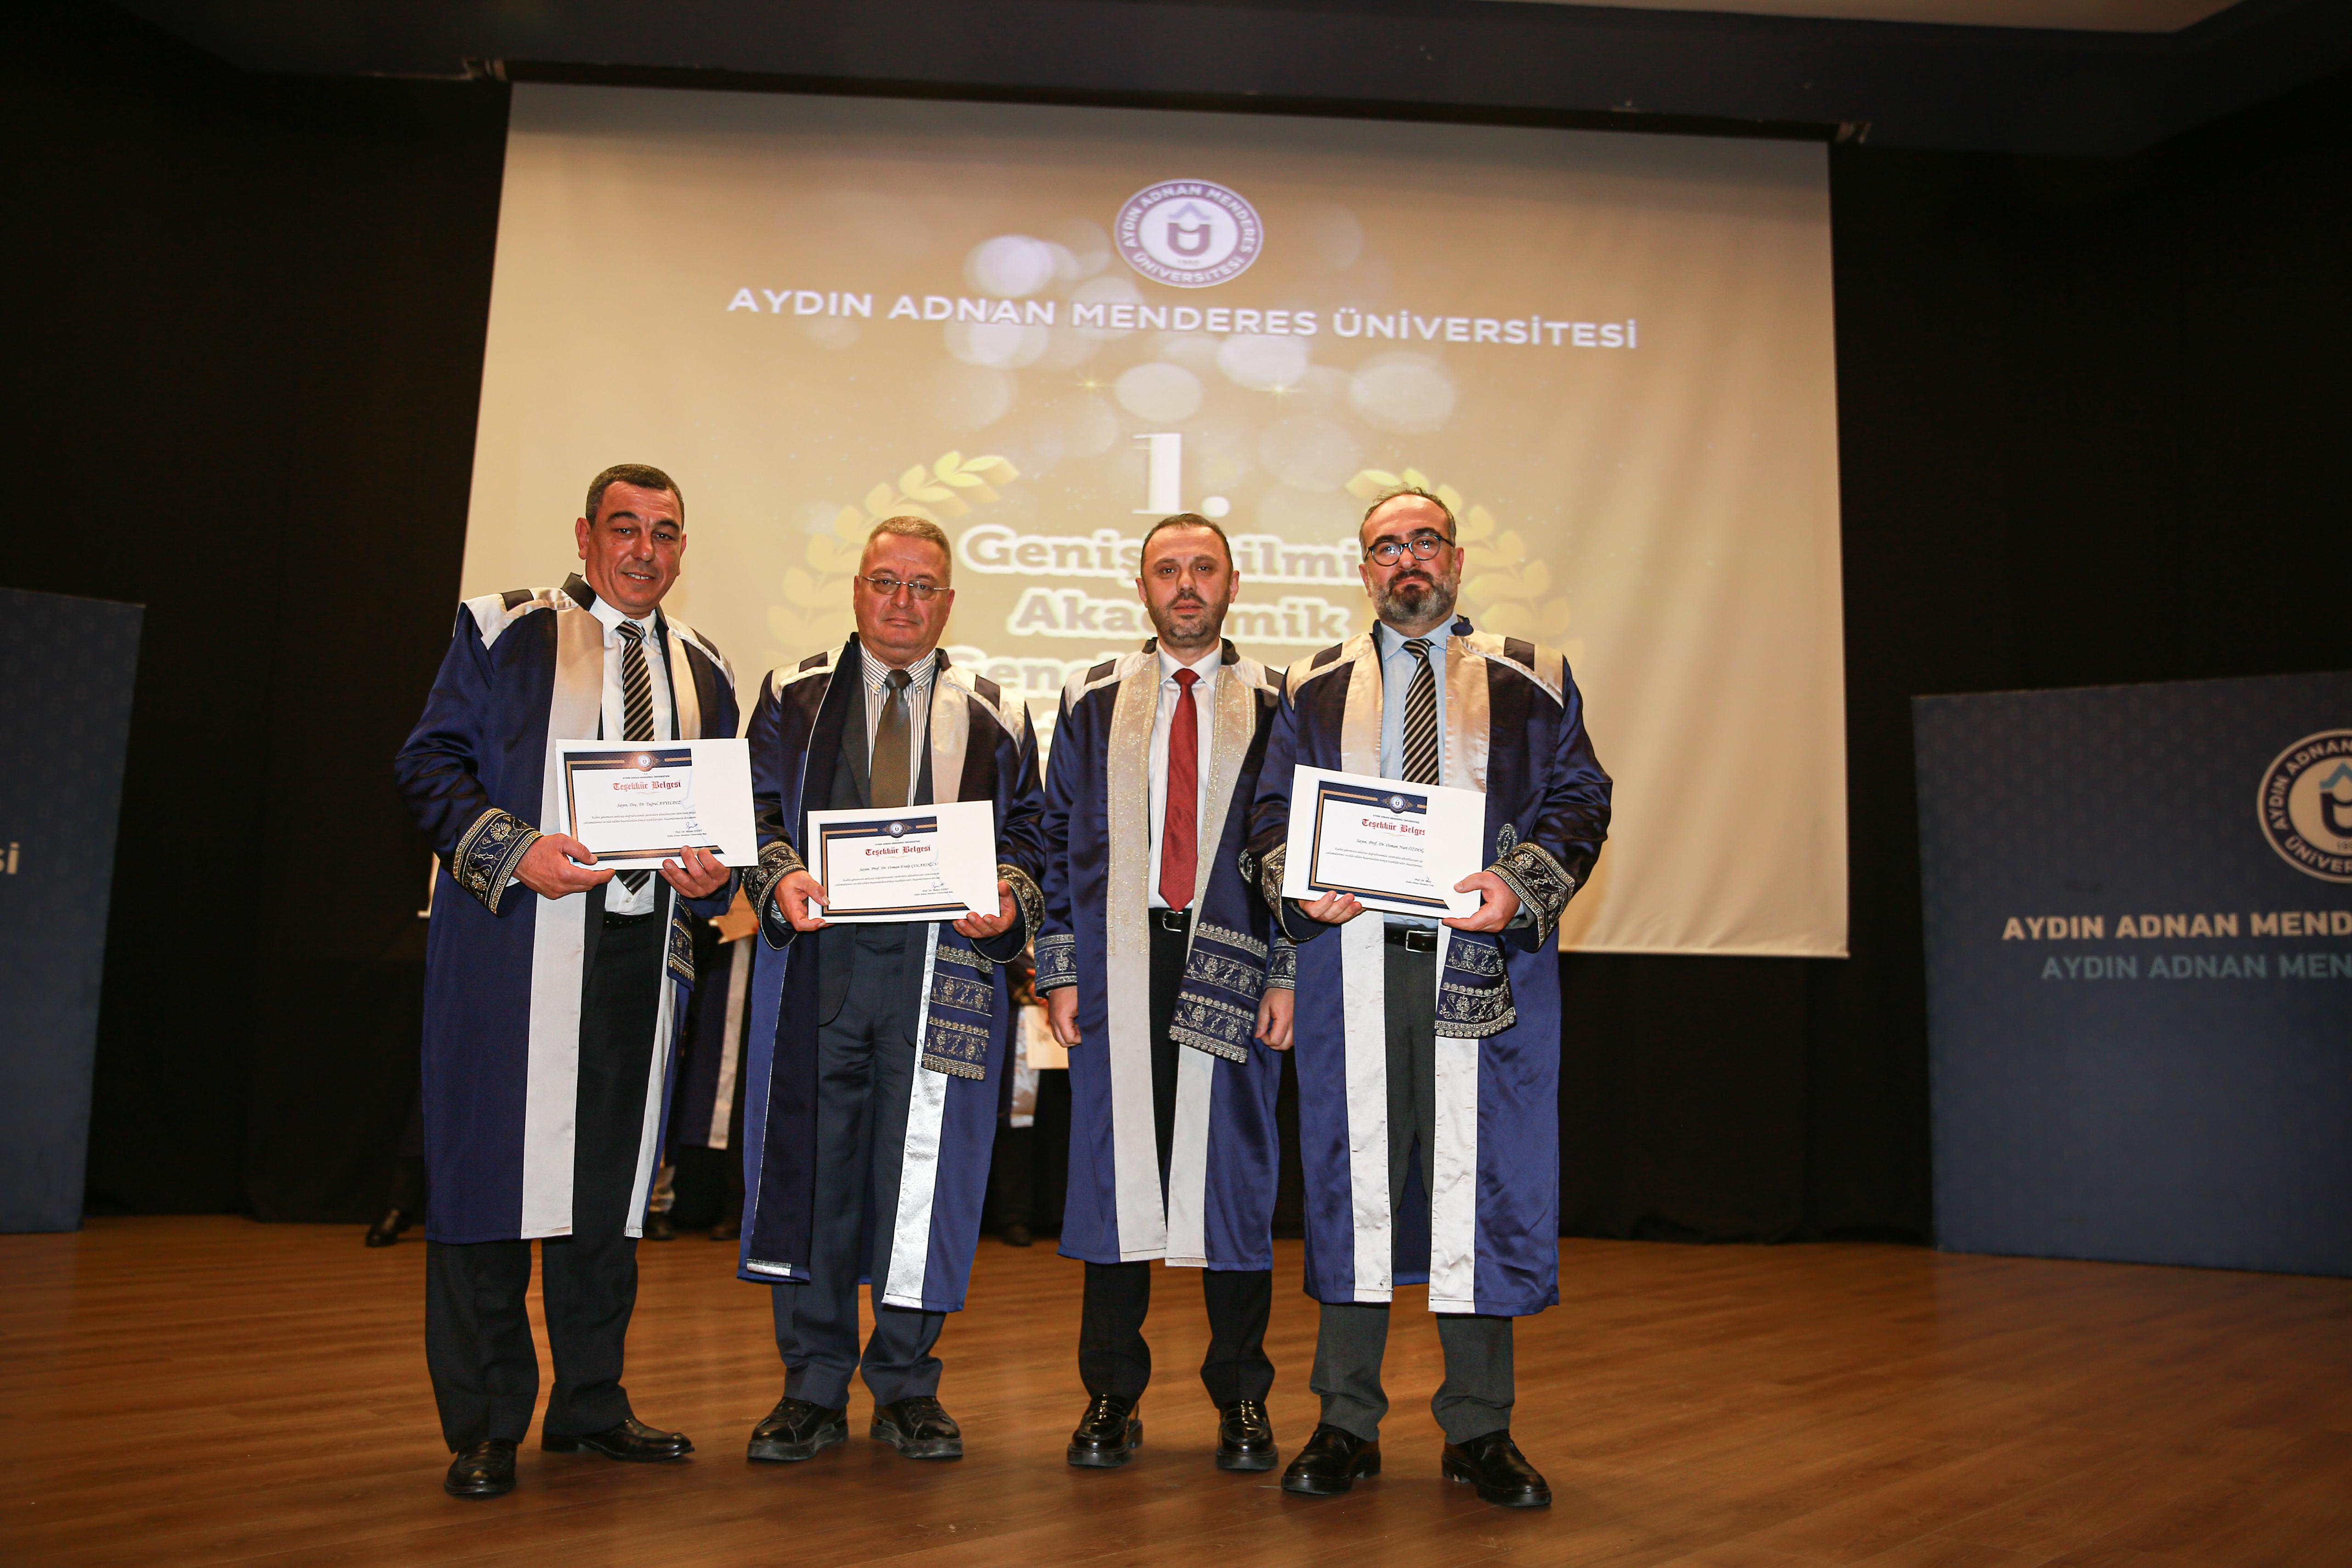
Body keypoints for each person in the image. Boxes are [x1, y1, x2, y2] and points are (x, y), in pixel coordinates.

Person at [1247, 487, 1611, 1510]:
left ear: (1453, 556)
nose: (1405, 560)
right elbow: (1269, 813)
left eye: (1423, 542)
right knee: (1352, 1183)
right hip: (1351, 966)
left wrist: (1520, 883)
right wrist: (1296, 882)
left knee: (1474, 1181)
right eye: (1384, 547)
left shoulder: (1533, 675)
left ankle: (1480, 1427)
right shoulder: (1314, 685)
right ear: (1363, 568)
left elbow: (1582, 796)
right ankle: (1345, 1420)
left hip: (1480, 969)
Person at [393, 464, 739, 1500]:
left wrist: (715, 872)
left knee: (610, 1197)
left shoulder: (706, 668)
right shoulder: (501, 629)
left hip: (641, 960)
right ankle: (487, 1422)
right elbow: (427, 765)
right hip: (515, 954)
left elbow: (721, 820)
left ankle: (591, 1402)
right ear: (586, 536)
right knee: (490, 1187)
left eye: (664, 533)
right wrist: (517, 849)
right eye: (625, 528)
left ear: (683, 549)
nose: (644, 550)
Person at [732, 515, 1047, 1465]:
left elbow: (1031, 834)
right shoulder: (791, 695)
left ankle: (908, 1385)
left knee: (921, 1184)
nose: (901, 601)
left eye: (922, 586)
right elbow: (752, 808)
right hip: (818, 978)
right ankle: (812, 1385)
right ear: (857, 590)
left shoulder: (995, 711)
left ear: (948, 603)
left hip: (938, 979)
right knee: (815, 1180)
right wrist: (781, 870)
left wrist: (1007, 894)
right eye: (885, 581)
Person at [1035, 513, 1295, 1472]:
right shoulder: (1093, 694)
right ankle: (1111, 1392)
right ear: (1140, 586)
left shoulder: (1282, 699)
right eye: (1167, 570)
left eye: (1203, 568)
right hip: (1119, 960)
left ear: (1233, 582)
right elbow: (1056, 835)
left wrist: (1287, 969)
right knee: (1115, 1174)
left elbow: (1298, 842)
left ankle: (1242, 1395)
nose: (1186, 585)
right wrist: (1059, 970)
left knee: (1234, 1177)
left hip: (1233, 955)